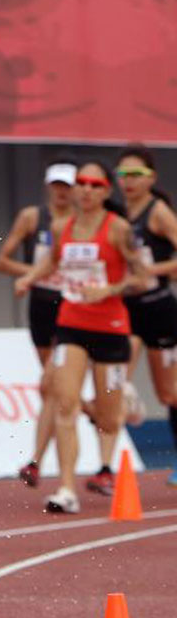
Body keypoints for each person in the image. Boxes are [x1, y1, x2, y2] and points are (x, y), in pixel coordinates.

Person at [16, 161, 144, 513]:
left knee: (107, 414)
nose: (86, 190)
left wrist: (110, 289)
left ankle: (105, 465)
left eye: (94, 184)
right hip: (71, 324)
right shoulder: (62, 227)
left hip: (111, 329)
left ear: (105, 190)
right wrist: (29, 278)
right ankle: (67, 488)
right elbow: (51, 262)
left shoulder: (118, 229)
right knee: (64, 402)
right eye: (81, 184)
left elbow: (142, 276)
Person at [0, 159, 76, 487]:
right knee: (53, 385)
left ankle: (37, 461)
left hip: (72, 306)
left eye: (67, 186)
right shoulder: (32, 217)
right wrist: (33, 274)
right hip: (41, 305)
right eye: (56, 185)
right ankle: (89, 413)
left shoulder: (83, 224)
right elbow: (1, 260)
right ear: (47, 186)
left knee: (53, 383)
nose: (61, 192)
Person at [114, 144, 177, 492]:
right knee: (115, 375)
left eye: (136, 175)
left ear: (151, 178)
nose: (129, 182)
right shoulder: (118, 212)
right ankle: (108, 460)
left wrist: (153, 269)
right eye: (123, 175)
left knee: (169, 394)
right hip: (126, 309)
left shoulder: (159, 213)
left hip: (159, 309)